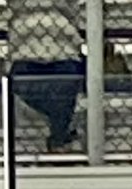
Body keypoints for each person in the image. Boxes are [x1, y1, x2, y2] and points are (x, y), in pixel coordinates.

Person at [8, 0, 84, 152]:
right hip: (24, 53)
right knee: (26, 85)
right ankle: (60, 137)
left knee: (66, 83)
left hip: (63, 53)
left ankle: (59, 137)